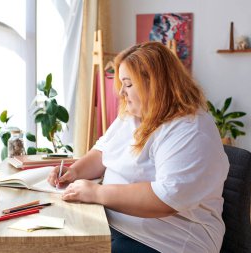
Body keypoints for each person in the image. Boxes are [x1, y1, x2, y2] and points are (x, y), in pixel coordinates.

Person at [47, 41, 229, 253]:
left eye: (128, 84)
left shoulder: (191, 129)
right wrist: (74, 171)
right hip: (116, 225)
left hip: (166, 241)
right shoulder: (132, 116)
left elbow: (165, 198)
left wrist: (97, 193)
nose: (121, 92)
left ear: (155, 83)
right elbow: (102, 153)